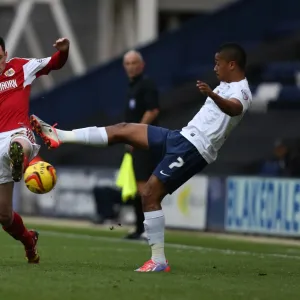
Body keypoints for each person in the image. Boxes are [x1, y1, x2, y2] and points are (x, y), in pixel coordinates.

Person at [31, 43, 252, 272]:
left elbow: (235, 109)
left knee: (148, 193)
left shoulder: (241, 90)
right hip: (180, 137)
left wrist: (212, 94)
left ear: (232, 64)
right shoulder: (224, 85)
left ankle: (158, 261)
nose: (215, 67)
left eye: (218, 63)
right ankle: (60, 136)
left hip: (195, 149)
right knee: (122, 129)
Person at [0, 36, 69, 263]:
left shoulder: (22, 67)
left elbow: (54, 63)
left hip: (16, 132)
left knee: (19, 143)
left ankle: (20, 159)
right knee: (4, 216)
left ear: (6, 54)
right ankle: (29, 242)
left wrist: (64, 51)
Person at [122, 50, 159, 240]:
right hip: (134, 143)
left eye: (134, 63)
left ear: (142, 65)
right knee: (137, 187)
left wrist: (137, 133)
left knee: (145, 187)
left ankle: (150, 229)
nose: (131, 66)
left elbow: (152, 110)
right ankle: (139, 228)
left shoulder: (147, 85)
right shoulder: (132, 87)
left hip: (144, 142)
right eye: (127, 63)